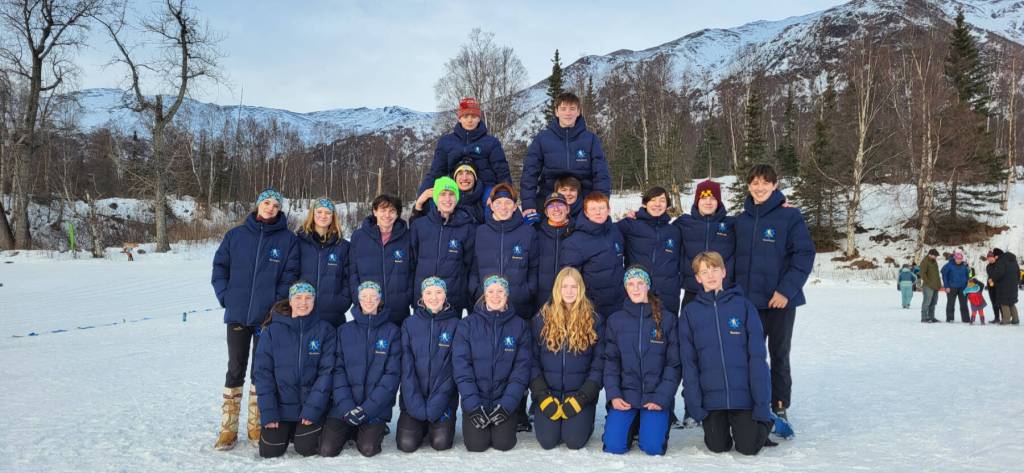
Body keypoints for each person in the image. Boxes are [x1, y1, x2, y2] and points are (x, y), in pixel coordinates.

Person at [211, 188, 300, 450]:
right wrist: (226, 296)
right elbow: (220, 268)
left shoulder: (287, 240)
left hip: (267, 319)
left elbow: (290, 275)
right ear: (258, 204)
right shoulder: (235, 236)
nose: (270, 208)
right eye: (266, 203)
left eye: (275, 205)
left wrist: (275, 305)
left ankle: (256, 424)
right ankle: (228, 429)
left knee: (261, 371)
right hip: (238, 314)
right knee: (235, 368)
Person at [732, 164, 815, 423]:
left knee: (779, 354)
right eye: (755, 183)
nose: (759, 188)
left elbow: (804, 254)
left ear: (775, 185)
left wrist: (785, 291)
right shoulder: (740, 220)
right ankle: (750, 402)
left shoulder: (790, 216)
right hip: (747, 302)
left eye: (765, 183)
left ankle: (779, 405)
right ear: (748, 186)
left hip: (779, 302)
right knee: (748, 355)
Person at [679, 252, 772, 455]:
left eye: (714, 270)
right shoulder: (690, 313)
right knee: (717, 446)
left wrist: (762, 405)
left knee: (749, 447)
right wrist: (695, 405)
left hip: (744, 396)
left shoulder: (744, 306)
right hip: (712, 398)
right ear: (697, 278)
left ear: (724, 272)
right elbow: (689, 362)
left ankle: (767, 422)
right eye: (704, 271)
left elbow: (757, 359)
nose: (710, 275)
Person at [602, 266, 681, 456]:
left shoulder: (666, 320)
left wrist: (662, 398)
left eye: (640, 283)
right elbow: (611, 362)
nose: (635, 288)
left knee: (652, 448)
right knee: (613, 446)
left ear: (648, 286)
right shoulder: (616, 321)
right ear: (625, 287)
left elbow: (674, 364)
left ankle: (655, 422)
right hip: (626, 396)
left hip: (655, 397)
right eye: (630, 284)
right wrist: (614, 395)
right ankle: (633, 423)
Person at [252, 281, 336, 458]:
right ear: (290, 301)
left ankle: (302, 430)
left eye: (308, 298)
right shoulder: (272, 331)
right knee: (269, 451)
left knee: (305, 448)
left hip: (310, 407)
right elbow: (262, 373)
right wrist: (269, 411)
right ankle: (288, 430)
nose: (303, 302)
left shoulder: (325, 330)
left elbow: (326, 373)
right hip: (281, 408)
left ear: (314, 301)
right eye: (298, 297)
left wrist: (313, 409)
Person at [320, 281, 402, 457]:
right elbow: (337, 370)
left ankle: (369, 429)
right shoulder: (344, 331)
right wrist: (347, 406)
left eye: (373, 296)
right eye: (364, 296)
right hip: (344, 406)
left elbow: (391, 376)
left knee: (368, 449)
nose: (369, 300)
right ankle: (350, 428)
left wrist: (366, 409)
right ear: (358, 299)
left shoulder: (392, 332)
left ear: (380, 299)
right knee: (327, 449)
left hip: (374, 409)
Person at [453, 275, 532, 452]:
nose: (495, 295)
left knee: (504, 444)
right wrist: (473, 405)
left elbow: (521, 370)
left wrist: (507, 405)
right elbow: (461, 368)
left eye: (500, 291)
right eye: (490, 291)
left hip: (503, 400)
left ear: (507, 295)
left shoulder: (519, 326)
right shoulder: (467, 324)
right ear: (484, 294)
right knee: (476, 445)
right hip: (476, 399)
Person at [530, 267, 604, 450]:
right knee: (547, 441)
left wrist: (583, 397)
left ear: (581, 289)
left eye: (574, 286)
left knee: (574, 441)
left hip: (578, 393)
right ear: (557, 289)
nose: (569, 291)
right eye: (565, 286)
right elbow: (531, 361)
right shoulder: (541, 319)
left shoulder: (594, 320)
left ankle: (586, 419)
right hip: (549, 393)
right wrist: (542, 396)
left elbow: (599, 364)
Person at [520, 92, 610, 219]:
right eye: (563, 109)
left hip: (583, 198)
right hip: (550, 198)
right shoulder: (542, 139)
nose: (568, 113)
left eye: (572, 109)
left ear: (578, 112)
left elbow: (601, 173)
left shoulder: (590, 139)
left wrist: (601, 201)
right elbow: (530, 173)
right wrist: (528, 203)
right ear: (556, 112)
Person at [396, 277, 461, 452]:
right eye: (429, 292)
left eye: (439, 292)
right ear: (422, 296)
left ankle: (432, 423)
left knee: (440, 443)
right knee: (406, 445)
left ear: (445, 295)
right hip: (413, 399)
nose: (434, 297)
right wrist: (415, 403)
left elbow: (452, 369)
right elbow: (406, 368)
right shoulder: (409, 324)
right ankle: (420, 423)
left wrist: (436, 404)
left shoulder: (455, 324)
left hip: (443, 400)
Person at [470, 183, 539, 320]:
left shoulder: (528, 233)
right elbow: (473, 268)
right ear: (491, 206)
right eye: (498, 203)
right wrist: (477, 292)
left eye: (507, 203)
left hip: (519, 307)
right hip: (485, 306)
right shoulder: (480, 232)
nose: (503, 207)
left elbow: (534, 268)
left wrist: (527, 292)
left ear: (514, 207)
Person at [418, 97, 511, 195]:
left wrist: (506, 195)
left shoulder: (491, 142)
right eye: (466, 116)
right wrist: (422, 195)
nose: (470, 120)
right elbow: (436, 172)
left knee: (495, 204)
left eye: (474, 116)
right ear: (460, 119)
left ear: (479, 119)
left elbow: (502, 172)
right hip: (454, 189)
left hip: (485, 189)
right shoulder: (445, 142)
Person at [410, 177, 476, 315]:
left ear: (457, 198)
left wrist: (463, 295)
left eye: (451, 194)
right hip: (423, 298)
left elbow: (469, 265)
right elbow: (412, 261)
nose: (447, 199)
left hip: (452, 300)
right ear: (435, 198)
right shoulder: (420, 225)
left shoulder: (467, 227)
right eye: (442, 194)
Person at [617, 187, 684, 316]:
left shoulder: (674, 231)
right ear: (644, 203)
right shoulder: (630, 225)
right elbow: (606, 232)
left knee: (666, 333)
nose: (657, 204)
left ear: (667, 205)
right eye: (653, 200)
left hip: (668, 295)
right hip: (637, 293)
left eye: (662, 200)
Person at [349, 194, 414, 325]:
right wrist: (358, 298)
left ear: (397, 214)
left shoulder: (407, 237)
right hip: (368, 309)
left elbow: (413, 270)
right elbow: (352, 272)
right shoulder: (359, 236)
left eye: (392, 211)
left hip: (398, 311)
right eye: (383, 210)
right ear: (375, 212)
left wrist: (406, 297)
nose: (387, 215)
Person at [562, 191, 625, 318]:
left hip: (619, 304)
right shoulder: (574, 241)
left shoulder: (615, 231)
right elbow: (570, 278)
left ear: (608, 210)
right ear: (586, 212)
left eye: (602, 208)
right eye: (593, 209)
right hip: (593, 308)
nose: (598, 212)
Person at [675, 179, 735, 310]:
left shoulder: (732, 224)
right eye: (704, 198)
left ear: (718, 201)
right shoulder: (683, 223)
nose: (708, 202)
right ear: (697, 201)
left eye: (713, 198)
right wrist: (636, 217)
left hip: (723, 292)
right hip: (693, 291)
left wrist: (780, 208)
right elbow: (659, 231)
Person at [296, 198, 351, 327]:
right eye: (319, 212)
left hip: (333, 317)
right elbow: (290, 274)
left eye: (327, 212)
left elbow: (348, 278)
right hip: (302, 314)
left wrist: (340, 303)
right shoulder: (298, 243)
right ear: (312, 214)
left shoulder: (343, 246)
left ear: (333, 216)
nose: (323, 216)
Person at [535, 192, 575, 312]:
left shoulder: (577, 232)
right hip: (542, 301)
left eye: (560, 204)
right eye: (551, 206)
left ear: (567, 209)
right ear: (546, 212)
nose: (556, 209)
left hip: (570, 300)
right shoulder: (536, 234)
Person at [986, 248, 1020, 325]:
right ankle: (1015, 319)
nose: (994, 258)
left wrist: (992, 279)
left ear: (997, 255)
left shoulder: (1001, 261)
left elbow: (1000, 273)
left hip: (1004, 285)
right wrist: (1016, 282)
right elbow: (1018, 273)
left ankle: (1006, 320)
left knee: (1004, 302)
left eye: (994, 256)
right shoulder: (1013, 260)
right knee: (1011, 302)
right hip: (1013, 285)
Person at [941, 251, 970, 323]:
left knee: (964, 304)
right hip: (952, 287)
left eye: (960, 259)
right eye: (957, 259)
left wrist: (968, 284)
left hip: (963, 287)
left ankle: (966, 319)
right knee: (951, 303)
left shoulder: (964, 265)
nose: (959, 260)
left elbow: (969, 275)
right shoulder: (949, 265)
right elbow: (944, 275)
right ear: (954, 258)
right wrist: (946, 286)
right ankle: (950, 318)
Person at [919, 249, 942, 323]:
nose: (936, 257)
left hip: (935, 285)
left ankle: (931, 317)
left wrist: (939, 284)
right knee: (927, 302)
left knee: (934, 302)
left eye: (936, 256)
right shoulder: (925, 262)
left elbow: (936, 275)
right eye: (935, 256)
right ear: (930, 254)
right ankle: (924, 317)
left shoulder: (934, 262)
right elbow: (922, 274)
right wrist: (929, 283)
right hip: (928, 286)